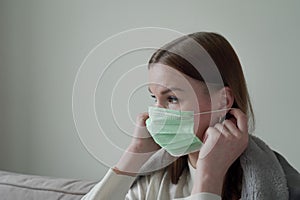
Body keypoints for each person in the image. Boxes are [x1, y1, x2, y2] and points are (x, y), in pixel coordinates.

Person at [82, 32, 300, 200]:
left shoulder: (277, 181)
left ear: (222, 101)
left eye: (172, 99)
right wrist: (135, 154)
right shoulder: (156, 177)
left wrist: (208, 175)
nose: (156, 113)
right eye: (154, 98)